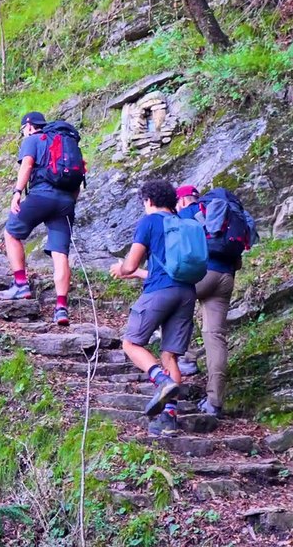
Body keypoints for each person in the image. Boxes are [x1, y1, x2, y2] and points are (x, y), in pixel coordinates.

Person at [109, 179, 202, 437]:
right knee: (170, 355)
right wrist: (137, 273)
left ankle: (161, 380)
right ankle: (168, 419)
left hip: (160, 292)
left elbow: (130, 264)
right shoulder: (183, 222)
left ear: (148, 201)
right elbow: (164, 267)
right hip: (186, 291)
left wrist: (122, 269)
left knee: (131, 343)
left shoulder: (149, 222)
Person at [0, 111, 80, 326]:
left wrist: (17, 192)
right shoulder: (67, 143)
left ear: (28, 125)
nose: (23, 133)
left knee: (11, 232)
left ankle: (20, 284)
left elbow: (27, 165)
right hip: (66, 202)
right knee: (60, 253)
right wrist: (69, 203)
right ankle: (61, 308)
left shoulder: (33, 140)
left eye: (22, 130)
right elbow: (79, 176)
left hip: (41, 196)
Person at [176, 185, 239, 417]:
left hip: (202, 274)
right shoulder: (225, 214)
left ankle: (186, 357)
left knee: (169, 304)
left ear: (183, 200)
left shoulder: (187, 212)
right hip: (226, 277)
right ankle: (214, 402)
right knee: (215, 337)